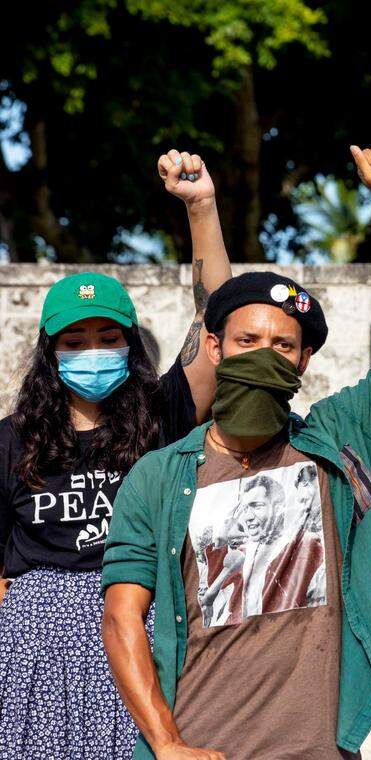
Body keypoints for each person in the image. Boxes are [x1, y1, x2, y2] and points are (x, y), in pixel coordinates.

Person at [101, 145, 371, 760]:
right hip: (200, 747)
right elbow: (123, 619)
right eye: (248, 340)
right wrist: (167, 744)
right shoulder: (159, 475)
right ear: (213, 348)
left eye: (283, 346)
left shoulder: (336, 437)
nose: (265, 355)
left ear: (304, 360)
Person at [0, 149, 232, 759]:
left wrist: (201, 206)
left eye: (108, 337)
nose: (93, 350)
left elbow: (219, 319)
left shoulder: (163, 415)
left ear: (131, 343)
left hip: (142, 637)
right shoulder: (11, 439)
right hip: (35, 657)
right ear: (50, 352)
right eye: (75, 340)